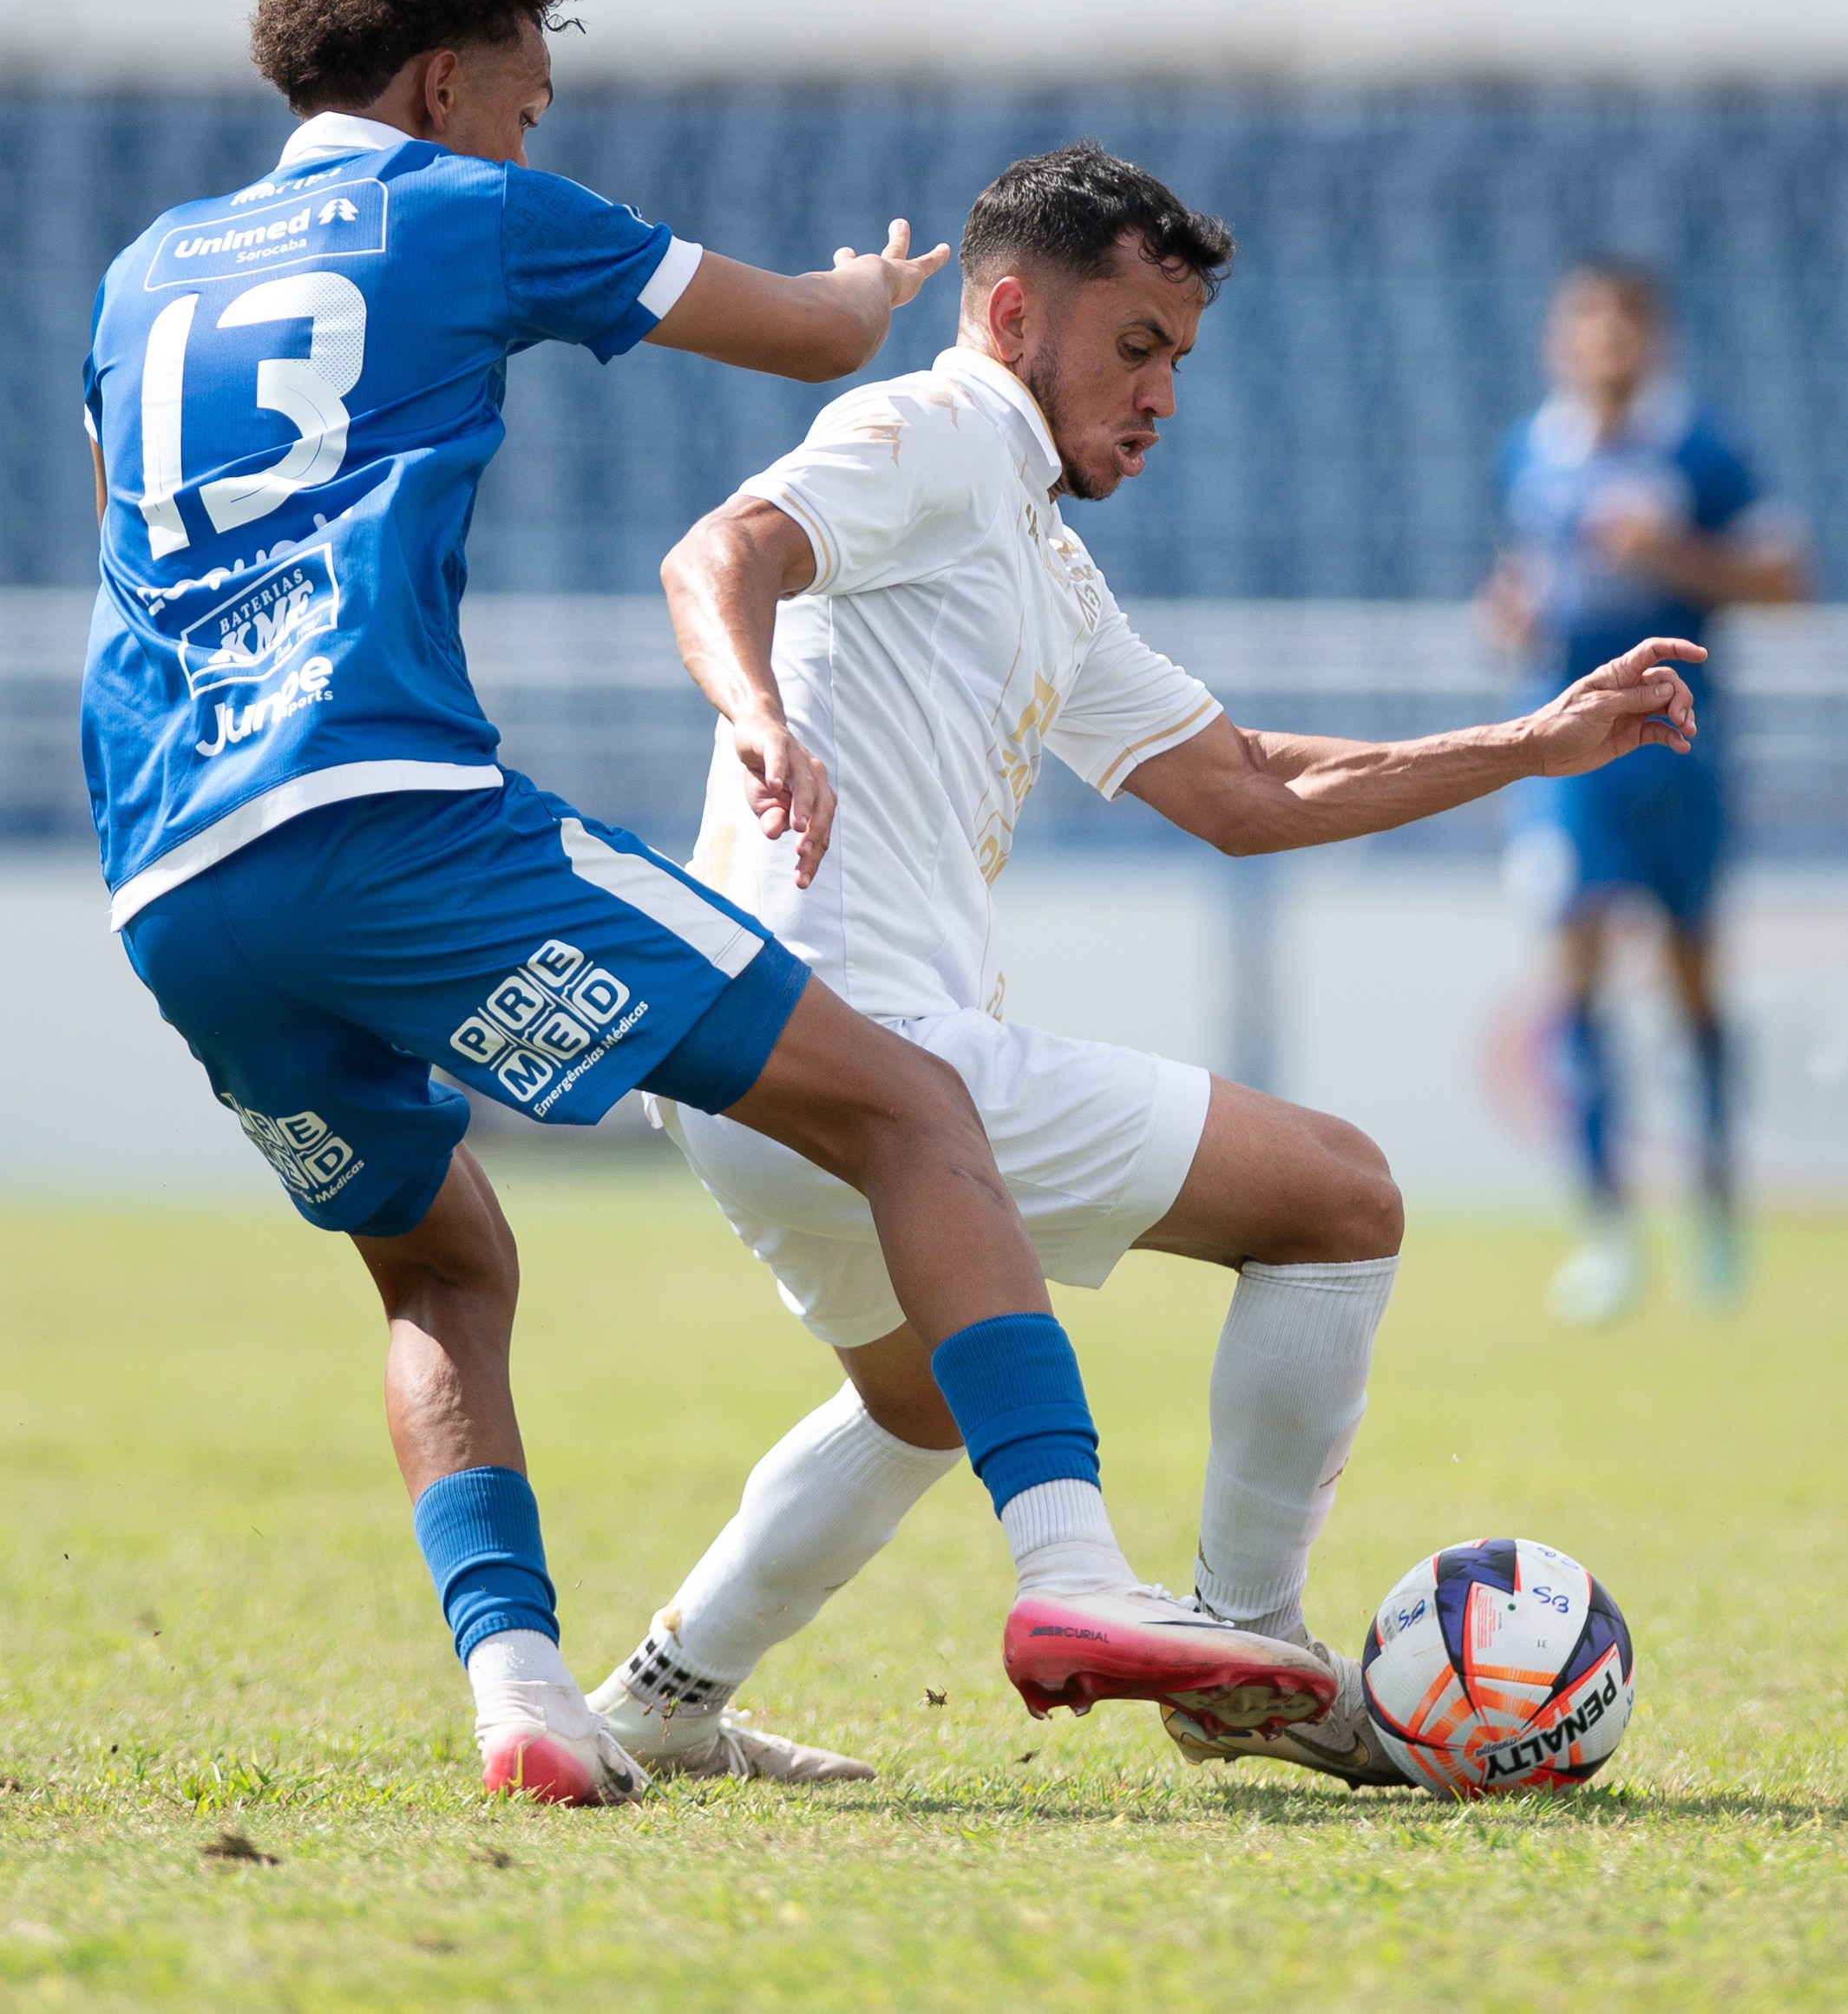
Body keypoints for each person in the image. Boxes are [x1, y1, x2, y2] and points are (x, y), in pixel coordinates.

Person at [80, 0, 1333, 1809]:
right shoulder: (464, 206)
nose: (530, 132)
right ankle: (1075, 1574)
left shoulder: (140, 270)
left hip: (168, 866)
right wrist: (868, 279)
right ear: (443, 82)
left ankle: (528, 1697)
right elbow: (814, 338)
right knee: (912, 1106)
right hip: (384, 806)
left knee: (440, 1267)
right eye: (526, 96)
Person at [584, 144, 1702, 1787]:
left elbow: (1244, 788)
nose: (1165, 389)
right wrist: (756, 718)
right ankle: (1241, 1637)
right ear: (1015, 311)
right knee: (1339, 1196)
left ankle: (664, 1700)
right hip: (869, 1049)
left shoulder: (1037, 553)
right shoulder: (941, 426)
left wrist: (1526, 748)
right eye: (1136, 345)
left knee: (923, 1398)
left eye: (1182, 355)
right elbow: (716, 557)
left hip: (753, 1077)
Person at [1484, 261, 1805, 1324]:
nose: (1603, 338)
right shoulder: (1532, 450)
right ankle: (1607, 1232)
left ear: (1652, 336)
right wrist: (1514, 615)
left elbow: (1785, 580)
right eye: (1585, 319)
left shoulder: (1701, 451)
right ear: (1559, 338)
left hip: (1682, 751)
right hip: (1574, 758)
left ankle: (1715, 1215)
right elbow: (1527, 584)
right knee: (1574, 973)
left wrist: (1670, 550)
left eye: (1622, 320)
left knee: (1691, 985)